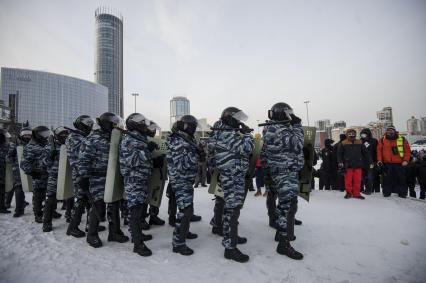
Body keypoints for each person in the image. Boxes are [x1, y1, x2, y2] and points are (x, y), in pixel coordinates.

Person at [208, 107, 253, 263]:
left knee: (231, 210)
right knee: (232, 211)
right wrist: (247, 134)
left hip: (227, 176)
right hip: (233, 177)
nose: (239, 122)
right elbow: (247, 148)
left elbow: (211, 158)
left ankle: (231, 238)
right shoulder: (229, 134)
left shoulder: (218, 133)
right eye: (237, 119)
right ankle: (230, 248)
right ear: (230, 119)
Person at [78, 112, 129, 248]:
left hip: (112, 175)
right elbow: (83, 159)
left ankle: (114, 232)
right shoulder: (93, 138)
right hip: (97, 177)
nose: (116, 126)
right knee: (98, 205)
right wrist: (83, 177)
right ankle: (92, 235)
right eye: (113, 124)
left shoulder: (114, 137)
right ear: (106, 123)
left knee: (114, 203)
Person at [261, 102, 304, 260]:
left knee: (286, 205)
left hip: (284, 170)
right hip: (285, 172)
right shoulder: (279, 129)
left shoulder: (273, 127)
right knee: (285, 208)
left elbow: (265, 153)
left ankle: (281, 235)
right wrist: (298, 126)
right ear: (283, 114)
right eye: (288, 113)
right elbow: (298, 145)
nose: (291, 116)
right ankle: (284, 245)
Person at [119, 113, 160, 256]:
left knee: (139, 209)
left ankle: (138, 235)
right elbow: (133, 161)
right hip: (134, 181)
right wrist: (148, 150)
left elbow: (143, 159)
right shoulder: (130, 140)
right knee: (135, 212)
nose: (145, 125)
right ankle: (138, 244)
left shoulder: (138, 138)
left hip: (140, 179)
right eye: (142, 122)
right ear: (134, 124)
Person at [66, 115, 105, 238]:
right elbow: (82, 156)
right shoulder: (74, 137)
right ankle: (72, 227)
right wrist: (84, 175)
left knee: (88, 200)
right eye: (88, 124)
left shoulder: (83, 136)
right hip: (80, 173)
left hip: (85, 172)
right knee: (81, 200)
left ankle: (90, 224)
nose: (91, 126)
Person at [166, 115, 199, 256]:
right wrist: (197, 155)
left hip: (185, 180)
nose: (194, 129)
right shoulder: (178, 141)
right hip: (180, 179)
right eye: (192, 126)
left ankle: (184, 232)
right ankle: (178, 243)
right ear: (185, 126)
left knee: (188, 209)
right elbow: (181, 164)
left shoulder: (186, 139)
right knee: (185, 211)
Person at [21, 126, 62, 223]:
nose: (46, 136)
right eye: (44, 134)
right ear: (37, 134)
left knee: (51, 195)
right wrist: (33, 172)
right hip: (39, 175)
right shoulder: (30, 147)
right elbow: (24, 163)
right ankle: (38, 214)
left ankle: (51, 211)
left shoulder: (48, 144)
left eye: (47, 133)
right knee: (38, 196)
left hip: (50, 173)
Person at [41, 127, 70, 232]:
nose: (65, 136)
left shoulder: (69, 144)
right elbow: (44, 163)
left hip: (68, 175)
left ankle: (69, 215)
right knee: (51, 198)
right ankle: (47, 223)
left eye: (66, 134)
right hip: (54, 176)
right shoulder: (50, 147)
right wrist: (51, 158)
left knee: (70, 196)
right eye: (62, 134)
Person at [337, 128, 372, 199]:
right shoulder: (343, 143)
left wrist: (370, 161)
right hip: (347, 165)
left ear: (355, 134)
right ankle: (348, 193)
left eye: (353, 133)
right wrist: (340, 162)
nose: (351, 135)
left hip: (358, 164)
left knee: (358, 180)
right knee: (348, 180)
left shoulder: (360, 142)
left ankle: (356, 194)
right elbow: (339, 154)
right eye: (350, 134)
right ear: (347, 135)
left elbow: (366, 153)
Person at [377, 125, 411, 198]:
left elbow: (407, 151)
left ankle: (402, 193)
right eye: (388, 130)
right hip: (387, 163)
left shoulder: (402, 139)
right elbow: (379, 151)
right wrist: (379, 160)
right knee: (386, 179)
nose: (390, 131)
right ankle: (386, 193)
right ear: (386, 131)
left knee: (401, 179)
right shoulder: (382, 140)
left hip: (399, 163)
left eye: (391, 130)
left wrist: (406, 160)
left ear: (395, 131)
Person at [5, 128, 32, 217]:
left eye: (29, 134)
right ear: (21, 135)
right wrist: (15, 164)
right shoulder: (15, 145)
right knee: (19, 189)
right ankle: (19, 209)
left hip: (32, 170)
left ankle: (38, 208)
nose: (27, 136)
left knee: (36, 190)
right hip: (18, 171)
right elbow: (8, 157)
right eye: (25, 134)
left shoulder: (33, 144)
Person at [360, 128, 379, 195]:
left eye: (364, 134)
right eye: (362, 134)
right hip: (362, 162)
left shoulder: (374, 141)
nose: (363, 135)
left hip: (371, 162)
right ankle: (367, 189)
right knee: (364, 177)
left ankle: (370, 190)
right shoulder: (360, 141)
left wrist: (376, 161)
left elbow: (377, 151)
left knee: (370, 176)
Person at [0, 129, 11, 213]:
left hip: (3, 173)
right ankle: (1, 207)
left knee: (3, 191)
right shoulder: (3, 148)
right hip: (1, 174)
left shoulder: (4, 147)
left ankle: (2, 206)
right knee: (2, 191)